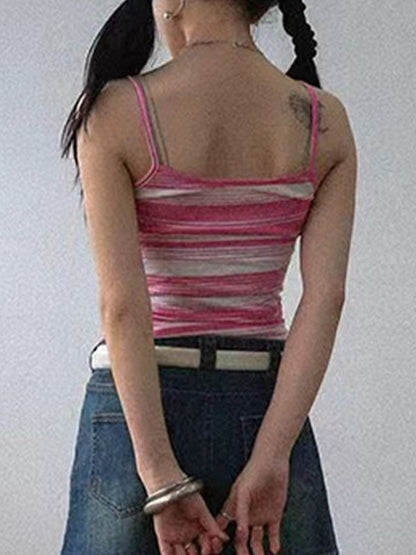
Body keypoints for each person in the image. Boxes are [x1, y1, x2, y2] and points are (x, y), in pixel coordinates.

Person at [59, 0, 357, 553]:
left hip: (136, 416)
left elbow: (123, 306)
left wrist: (160, 477)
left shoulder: (116, 110)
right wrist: (272, 456)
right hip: (265, 408)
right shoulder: (325, 119)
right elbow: (326, 298)